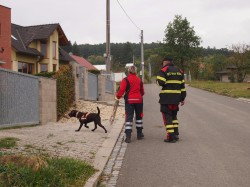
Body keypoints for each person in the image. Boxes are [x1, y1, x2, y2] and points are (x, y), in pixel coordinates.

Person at [156, 57, 186, 143]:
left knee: (167, 117)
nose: (162, 65)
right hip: (176, 99)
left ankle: (171, 137)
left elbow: (160, 82)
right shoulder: (179, 71)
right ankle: (176, 134)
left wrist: (157, 81)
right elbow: (182, 86)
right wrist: (182, 98)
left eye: (163, 63)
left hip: (166, 99)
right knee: (174, 117)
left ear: (165, 62)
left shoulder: (164, 70)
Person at [116, 66, 145, 143]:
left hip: (129, 100)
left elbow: (121, 90)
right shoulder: (139, 80)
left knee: (129, 117)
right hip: (139, 100)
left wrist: (117, 97)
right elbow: (142, 92)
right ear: (136, 72)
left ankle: (128, 136)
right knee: (139, 117)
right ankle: (139, 134)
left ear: (128, 72)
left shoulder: (125, 80)